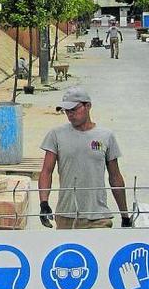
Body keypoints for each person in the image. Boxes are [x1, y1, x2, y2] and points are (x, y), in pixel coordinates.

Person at [37, 86, 130, 229]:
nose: (70, 115)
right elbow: (46, 172)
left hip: (98, 216)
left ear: (88, 106)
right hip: (66, 216)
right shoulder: (56, 135)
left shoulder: (105, 136)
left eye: (74, 109)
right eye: (67, 111)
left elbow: (115, 177)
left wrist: (125, 215)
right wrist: (44, 203)